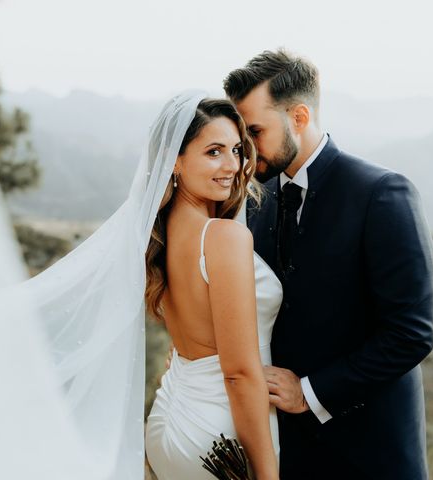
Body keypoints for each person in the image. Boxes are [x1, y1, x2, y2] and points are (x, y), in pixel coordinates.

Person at [223, 49, 433, 479]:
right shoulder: (253, 204)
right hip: (286, 454)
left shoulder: (381, 193)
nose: (245, 152)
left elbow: (411, 333)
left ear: (299, 117)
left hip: (371, 454)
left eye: (256, 132)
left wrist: (310, 393)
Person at [144, 98, 282, 480]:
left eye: (236, 150)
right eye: (213, 152)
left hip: (168, 419)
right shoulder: (224, 237)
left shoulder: (160, 236)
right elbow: (238, 372)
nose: (232, 166)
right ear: (175, 160)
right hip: (218, 436)